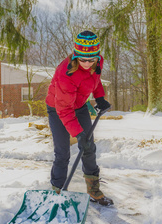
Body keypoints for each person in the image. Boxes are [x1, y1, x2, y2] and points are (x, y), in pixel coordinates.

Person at [45, 30, 113, 206]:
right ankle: (57, 190)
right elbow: (64, 110)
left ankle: (93, 190)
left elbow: (95, 80)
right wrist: (78, 134)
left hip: (80, 105)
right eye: (83, 59)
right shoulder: (65, 73)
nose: (87, 63)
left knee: (89, 147)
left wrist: (99, 98)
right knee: (62, 153)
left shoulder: (97, 62)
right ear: (75, 55)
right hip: (58, 109)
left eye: (91, 59)